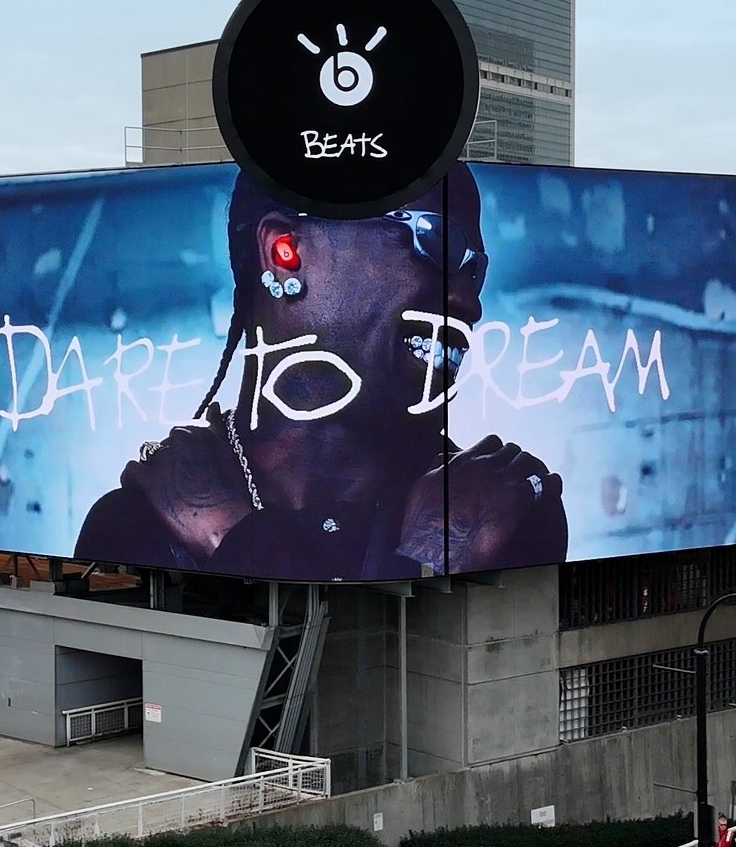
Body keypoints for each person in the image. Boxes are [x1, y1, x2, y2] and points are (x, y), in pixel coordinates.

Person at [75, 165, 567, 580]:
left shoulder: (504, 508)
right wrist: (433, 562)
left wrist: (233, 539)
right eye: (438, 242)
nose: (467, 300)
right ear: (285, 252)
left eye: (473, 271)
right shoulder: (133, 528)